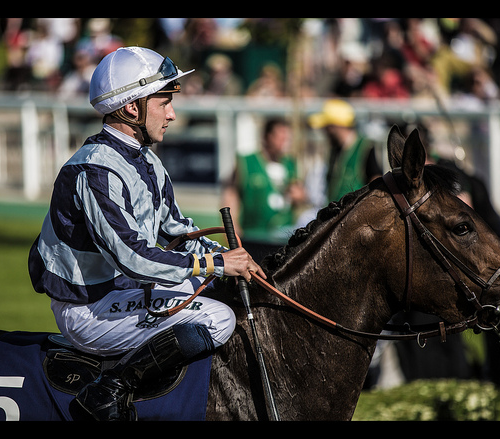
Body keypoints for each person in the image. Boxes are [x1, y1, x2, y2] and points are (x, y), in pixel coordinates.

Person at [28, 46, 265, 421]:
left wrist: (237, 260)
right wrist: (217, 264)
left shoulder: (147, 160)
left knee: (218, 289)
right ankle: (110, 389)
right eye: (164, 102)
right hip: (88, 310)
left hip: (120, 290)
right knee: (219, 319)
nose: (172, 114)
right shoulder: (94, 171)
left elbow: (179, 230)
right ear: (131, 108)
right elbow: (135, 258)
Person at [221, 118, 306, 257]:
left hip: (284, 238)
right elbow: (231, 195)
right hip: (254, 237)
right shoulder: (247, 162)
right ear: (267, 136)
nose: (285, 142)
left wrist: (300, 196)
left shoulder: (291, 164)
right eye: (281, 137)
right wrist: (232, 229)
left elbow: (301, 197)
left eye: (287, 138)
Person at [308, 99, 381, 202]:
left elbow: (376, 181)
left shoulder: (365, 147)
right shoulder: (335, 149)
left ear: (336, 126)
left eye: (327, 127)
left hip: (355, 210)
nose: (325, 132)